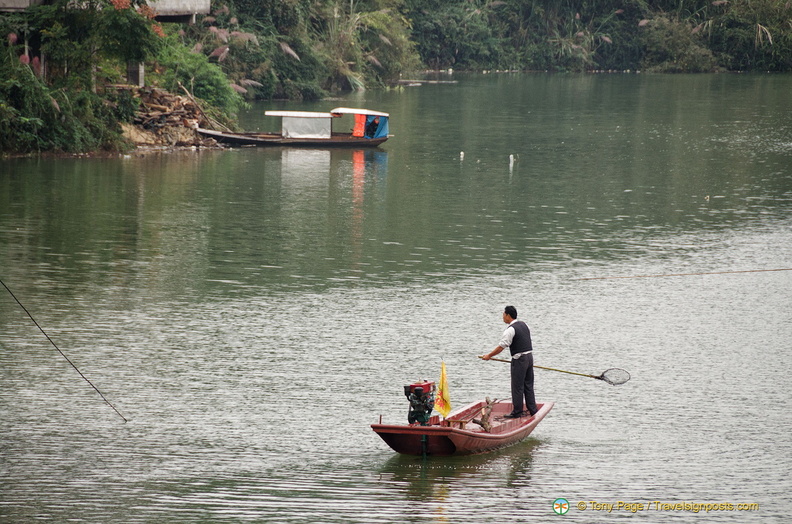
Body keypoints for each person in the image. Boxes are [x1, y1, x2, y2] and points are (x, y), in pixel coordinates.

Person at [480, 305, 538, 419]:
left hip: (520, 360)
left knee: (517, 387)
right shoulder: (524, 324)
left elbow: (501, 347)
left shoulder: (510, 330)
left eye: (503, 314)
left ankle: (517, 412)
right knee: (528, 385)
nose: (502, 317)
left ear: (508, 315)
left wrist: (489, 356)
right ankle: (533, 409)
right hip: (529, 358)